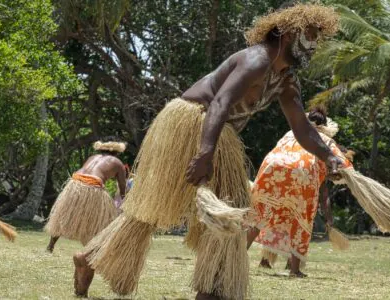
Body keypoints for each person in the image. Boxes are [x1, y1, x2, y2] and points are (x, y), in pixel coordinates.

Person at [73, 3, 342, 299]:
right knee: (160, 206)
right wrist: (205, 154)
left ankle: (211, 287)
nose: (314, 45)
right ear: (290, 33)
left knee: (228, 209)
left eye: (318, 38)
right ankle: (98, 259)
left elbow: (302, 128)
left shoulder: (286, 81)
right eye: (311, 36)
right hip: (191, 123)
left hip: (216, 133)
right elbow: (220, 103)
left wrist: (329, 156)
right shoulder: (257, 59)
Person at [246, 107, 354, 278]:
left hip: (272, 167)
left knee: (259, 216)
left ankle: (238, 257)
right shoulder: (325, 139)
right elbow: (344, 164)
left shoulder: (293, 132)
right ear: (325, 125)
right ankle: (294, 270)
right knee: (300, 221)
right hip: (302, 174)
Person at [44, 140, 127, 253]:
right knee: (100, 220)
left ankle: (50, 246)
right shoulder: (117, 163)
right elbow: (123, 187)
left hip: (74, 183)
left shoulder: (93, 157)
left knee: (64, 214)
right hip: (92, 187)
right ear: (117, 152)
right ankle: (93, 250)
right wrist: (126, 201)